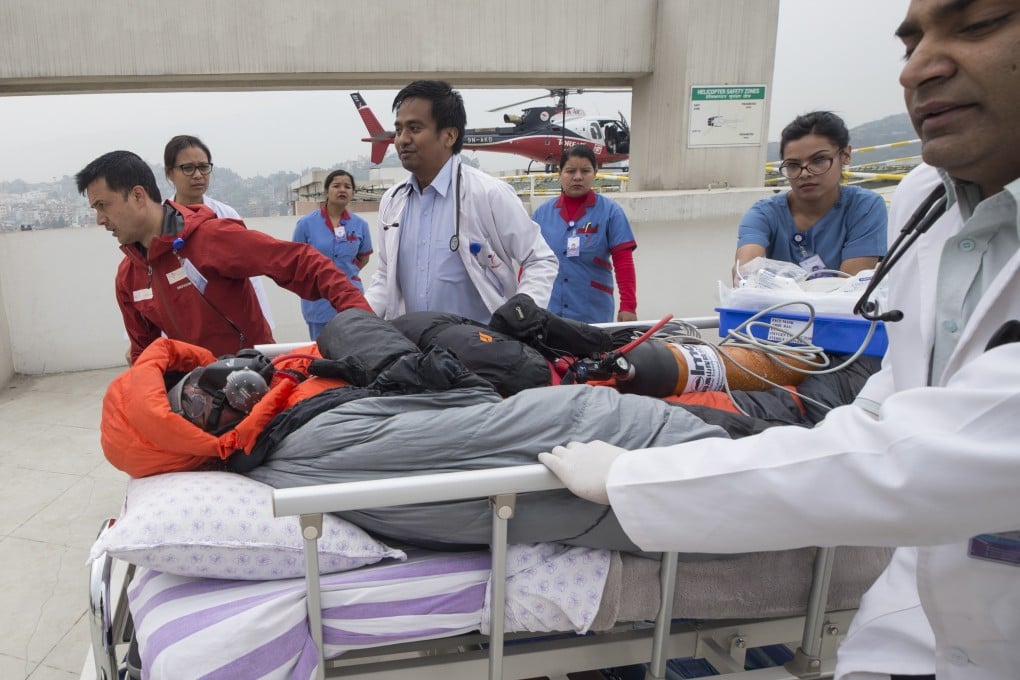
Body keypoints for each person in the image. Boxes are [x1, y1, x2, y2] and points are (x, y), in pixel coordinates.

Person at [540, 1, 1020, 678]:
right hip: (920, 622)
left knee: (722, 407)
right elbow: (897, 398)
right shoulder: (929, 199)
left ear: (844, 160)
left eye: (977, 24)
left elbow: (909, 452)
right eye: (910, 41)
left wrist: (634, 474)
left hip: (822, 372)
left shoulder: (869, 208)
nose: (920, 67)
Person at [76, 150, 373, 363]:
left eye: (103, 205)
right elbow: (146, 352)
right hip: (198, 397)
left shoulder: (210, 238)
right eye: (95, 209)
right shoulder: (129, 277)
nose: (100, 219)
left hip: (254, 381)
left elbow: (303, 263)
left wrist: (365, 325)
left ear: (138, 196)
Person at [364, 80, 558, 324]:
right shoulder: (392, 202)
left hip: (481, 351)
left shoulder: (489, 194)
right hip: (415, 351)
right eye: (399, 129)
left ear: (449, 135)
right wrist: (358, 319)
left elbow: (540, 259)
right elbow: (384, 277)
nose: (402, 140)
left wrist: (522, 312)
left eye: (414, 129)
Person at [733, 111, 887, 280]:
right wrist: (746, 277)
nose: (805, 173)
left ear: (845, 155)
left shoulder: (864, 207)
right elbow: (744, 271)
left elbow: (849, 285)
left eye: (818, 160)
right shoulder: (764, 214)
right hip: (772, 308)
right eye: (793, 165)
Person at [163, 134, 275, 329]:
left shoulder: (226, 214)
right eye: (188, 168)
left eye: (204, 167)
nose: (198, 175)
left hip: (227, 321)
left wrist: (264, 324)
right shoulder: (160, 221)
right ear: (169, 173)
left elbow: (250, 275)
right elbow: (148, 281)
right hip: (180, 322)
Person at [532, 145, 638, 323]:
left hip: (592, 312)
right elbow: (530, 260)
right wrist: (525, 303)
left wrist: (628, 306)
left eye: (585, 171)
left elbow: (624, 263)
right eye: (570, 171)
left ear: (595, 172)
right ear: (560, 173)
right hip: (548, 312)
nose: (578, 177)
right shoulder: (541, 214)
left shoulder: (611, 212)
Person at [293, 169, 373, 339]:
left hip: (350, 295)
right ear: (326, 191)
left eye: (347, 187)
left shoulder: (360, 225)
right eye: (336, 186)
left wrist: (347, 271)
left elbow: (364, 257)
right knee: (322, 352)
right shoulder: (306, 224)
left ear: (353, 192)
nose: (342, 190)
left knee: (354, 347)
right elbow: (296, 259)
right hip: (318, 299)